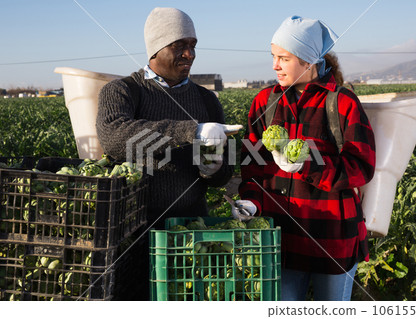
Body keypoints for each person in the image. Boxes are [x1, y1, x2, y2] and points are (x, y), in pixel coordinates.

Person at [236, 16, 376, 301]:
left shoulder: (341, 102)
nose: (275, 65)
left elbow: (361, 167)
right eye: (273, 57)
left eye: (284, 58)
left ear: (308, 61)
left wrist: (307, 165)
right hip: (282, 238)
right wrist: (251, 199)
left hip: (331, 238)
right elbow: (253, 165)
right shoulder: (265, 102)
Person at [96, 7, 240, 228]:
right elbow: (114, 138)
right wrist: (192, 131)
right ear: (155, 49)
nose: (189, 54)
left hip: (193, 226)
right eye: (179, 45)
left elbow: (225, 173)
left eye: (192, 45)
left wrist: (215, 169)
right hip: (132, 228)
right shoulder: (122, 90)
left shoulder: (207, 99)